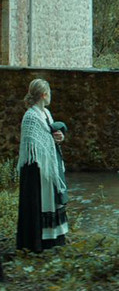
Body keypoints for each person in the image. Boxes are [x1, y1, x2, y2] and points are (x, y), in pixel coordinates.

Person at [16, 79, 69, 252]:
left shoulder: (46, 113)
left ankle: (54, 240)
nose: (51, 95)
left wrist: (59, 138)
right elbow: (33, 144)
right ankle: (35, 243)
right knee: (38, 204)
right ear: (44, 95)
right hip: (35, 169)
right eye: (50, 92)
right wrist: (50, 140)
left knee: (51, 201)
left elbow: (49, 138)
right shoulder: (30, 116)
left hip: (48, 166)